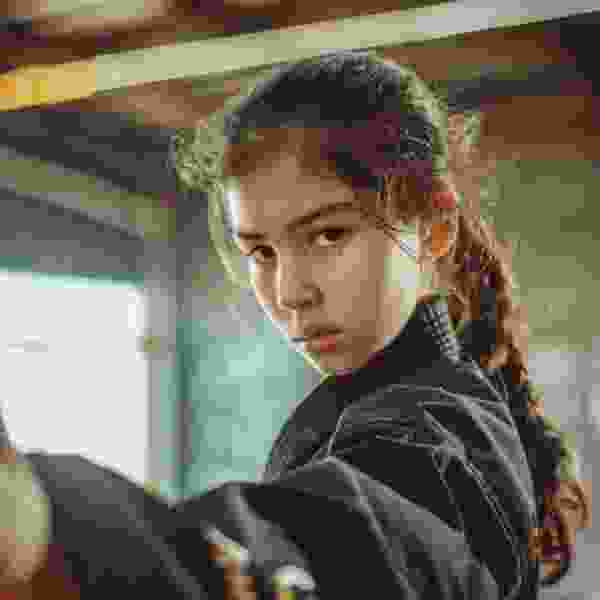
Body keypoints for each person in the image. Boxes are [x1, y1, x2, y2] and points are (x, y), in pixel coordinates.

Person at [0, 50, 592, 599]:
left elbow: (351, 544)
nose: (289, 292)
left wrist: (47, 528)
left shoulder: (432, 439)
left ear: (434, 229)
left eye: (329, 235)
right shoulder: (400, 407)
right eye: (261, 252)